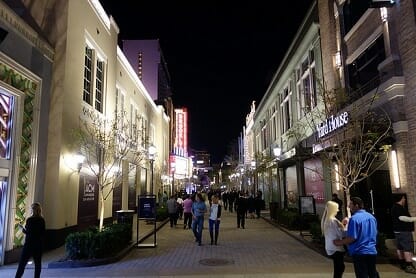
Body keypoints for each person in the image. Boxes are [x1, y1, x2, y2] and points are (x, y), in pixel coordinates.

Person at [334, 197, 379, 278]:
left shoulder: (354, 219)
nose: (349, 206)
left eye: (351, 204)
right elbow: (375, 232)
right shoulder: (371, 217)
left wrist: (338, 242)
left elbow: (352, 237)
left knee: (362, 275)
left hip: (359, 252)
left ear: (356, 205)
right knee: (372, 273)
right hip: (372, 251)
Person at [15, 202, 46, 278]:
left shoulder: (30, 220)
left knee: (22, 264)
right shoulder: (42, 220)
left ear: (32, 210)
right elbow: (43, 233)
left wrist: (23, 229)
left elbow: (28, 232)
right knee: (38, 264)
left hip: (29, 245)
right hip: (38, 245)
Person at [391, 194, 416, 274]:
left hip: (398, 231)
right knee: (407, 248)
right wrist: (414, 219)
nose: (405, 200)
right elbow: (402, 218)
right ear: (401, 198)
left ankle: (403, 263)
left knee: (400, 248)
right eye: (404, 198)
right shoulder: (398, 208)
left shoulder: (394, 207)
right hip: (404, 232)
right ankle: (409, 265)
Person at [321, 201, 346, 278]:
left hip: (330, 247)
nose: (338, 210)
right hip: (336, 248)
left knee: (338, 268)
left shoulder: (326, 220)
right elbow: (341, 234)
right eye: (337, 208)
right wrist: (343, 226)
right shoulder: (333, 220)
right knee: (339, 268)